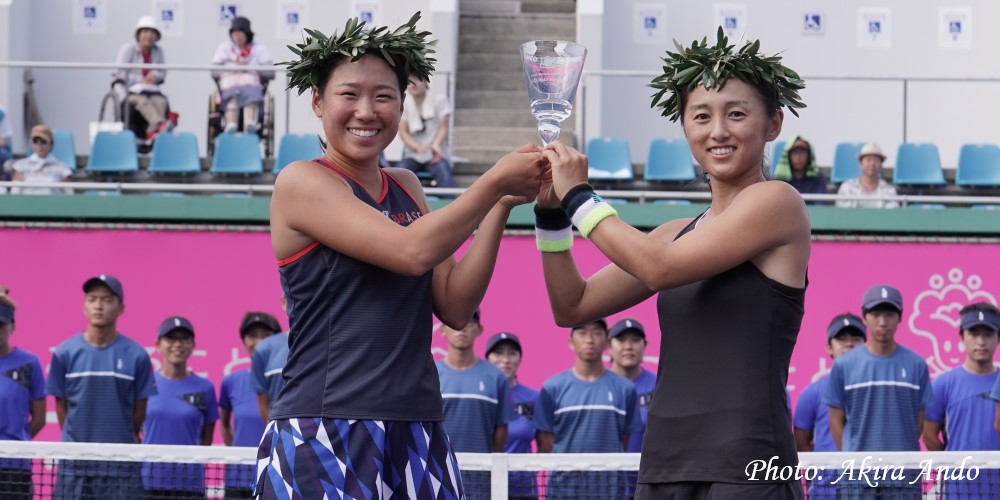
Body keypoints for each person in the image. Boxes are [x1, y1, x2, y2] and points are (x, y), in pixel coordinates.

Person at [255, 13, 545, 499]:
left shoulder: (407, 186)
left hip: (418, 427)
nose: (366, 110)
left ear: (402, 104)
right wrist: (491, 181)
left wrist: (500, 205)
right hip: (325, 425)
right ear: (317, 101)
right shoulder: (301, 181)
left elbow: (453, 305)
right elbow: (412, 251)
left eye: (384, 96)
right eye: (349, 94)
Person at [535, 28, 809, 499]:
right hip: (664, 464)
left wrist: (579, 196)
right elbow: (573, 306)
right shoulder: (672, 233)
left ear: (774, 125)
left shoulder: (778, 202)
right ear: (684, 128)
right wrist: (552, 214)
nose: (717, 131)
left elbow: (660, 269)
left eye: (737, 114)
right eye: (700, 116)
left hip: (747, 466)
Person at [46, 274, 156, 499]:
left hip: (121, 466)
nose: (98, 305)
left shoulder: (137, 356)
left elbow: (139, 411)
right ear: (84, 306)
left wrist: (118, 440)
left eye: (107, 299)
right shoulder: (64, 353)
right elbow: (61, 408)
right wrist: (77, 442)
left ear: (121, 308)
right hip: (74, 466)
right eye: (92, 298)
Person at [823, 284, 932, 499]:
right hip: (857, 477)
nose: (883, 321)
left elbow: (917, 423)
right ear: (864, 317)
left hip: (904, 476)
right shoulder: (844, 365)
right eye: (876, 314)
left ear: (900, 318)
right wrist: (853, 458)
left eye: (889, 314)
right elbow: (836, 422)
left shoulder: (917, 364)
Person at [534, 319, 641, 500]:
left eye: (597, 332)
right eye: (582, 332)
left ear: (606, 342)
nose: (589, 339)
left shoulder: (626, 389)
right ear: (570, 342)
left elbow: (623, 440)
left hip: (611, 491)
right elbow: (546, 444)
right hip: (563, 492)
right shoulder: (552, 388)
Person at [437, 309, 514, 500]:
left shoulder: (496, 378)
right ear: (442, 330)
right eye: (454, 322)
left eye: (470, 321)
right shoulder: (430, 374)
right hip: (438, 475)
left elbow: (501, 428)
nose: (461, 327)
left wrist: (491, 466)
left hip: (482, 480)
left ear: (479, 330)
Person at [925, 302, 1000, 499]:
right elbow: (929, 435)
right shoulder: (943, 384)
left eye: (988, 334)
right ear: (962, 337)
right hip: (958, 490)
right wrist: (954, 464)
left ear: (998, 338)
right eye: (974, 334)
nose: (981, 342)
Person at [142, 316, 219, 500]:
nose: (178, 344)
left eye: (184, 339)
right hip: (149, 483)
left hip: (190, 485)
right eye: (171, 338)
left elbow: (206, 439)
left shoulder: (205, 388)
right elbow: (133, 429)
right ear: (158, 345)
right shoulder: (144, 384)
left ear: (193, 345)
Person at [792, 313, 866, 499]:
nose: (849, 344)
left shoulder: (879, 391)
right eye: (841, 339)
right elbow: (801, 443)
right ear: (829, 348)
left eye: (856, 339)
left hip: (870, 488)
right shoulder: (811, 393)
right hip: (826, 492)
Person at [220, 311, 281, 499]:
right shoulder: (230, 381)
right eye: (252, 336)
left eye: (266, 335)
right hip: (238, 477)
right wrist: (241, 454)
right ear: (244, 341)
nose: (259, 342)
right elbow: (224, 425)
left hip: (276, 473)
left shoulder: (286, 378)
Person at [485, 331, 540, 500]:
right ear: (487, 358)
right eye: (499, 352)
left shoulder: (533, 398)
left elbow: (546, 446)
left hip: (522, 490)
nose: (506, 359)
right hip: (483, 487)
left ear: (520, 359)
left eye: (512, 353)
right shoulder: (480, 396)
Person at [0, 294, 45, 500]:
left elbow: (39, 418)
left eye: (1, 324)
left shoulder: (29, 363)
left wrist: (15, 444)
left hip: (15, 467)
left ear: (12, 326)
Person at [607, 318, 656, 498]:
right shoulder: (598, 386)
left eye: (635, 340)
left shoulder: (660, 384)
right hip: (605, 484)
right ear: (608, 346)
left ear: (644, 345)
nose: (628, 346)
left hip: (649, 483)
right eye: (621, 340)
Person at [114, 15, 175, 142]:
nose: (149, 35)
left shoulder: (158, 51)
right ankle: (159, 125)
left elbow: (162, 73)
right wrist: (139, 80)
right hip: (130, 91)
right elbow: (119, 74)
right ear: (138, 34)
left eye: (152, 32)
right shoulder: (128, 49)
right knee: (142, 102)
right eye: (145, 32)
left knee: (162, 102)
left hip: (151, 90)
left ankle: (152, 136)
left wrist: (154, 77)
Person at [211, 16, 273, 134]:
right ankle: (231, 125)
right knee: (231, 97)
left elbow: (270, 72)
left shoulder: (258, 49)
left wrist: (249, 68)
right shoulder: (224, 48)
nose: (237, 36)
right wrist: (233, 68)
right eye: (234, 33)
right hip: (230, 84)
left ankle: (250, 124)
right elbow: (213, 71)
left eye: (240, 32)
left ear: (247, 34)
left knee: (252, 96)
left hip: (251, 83)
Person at [398, 78, 454, 187]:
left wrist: (435, 146)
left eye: (417, 80)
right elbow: (403, 132)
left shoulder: (439, 100)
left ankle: (450, 202)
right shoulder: (405, 103)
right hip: (413, 154)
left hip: (436, 154)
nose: (413, 85)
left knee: (444, 173)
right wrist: (417, 147)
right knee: (398, 173)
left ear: (425, 82)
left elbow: (443, 128)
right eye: (409, 82)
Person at [249, 297, 288, 422]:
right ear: (283, 302)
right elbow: (264, 405)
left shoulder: (329, 344)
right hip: (281, 436)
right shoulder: (264, 348)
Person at [9, 125, 73, 195]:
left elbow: (69, 194)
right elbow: (15, 193)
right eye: (35, 142)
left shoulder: (63, 168)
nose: (39, 146)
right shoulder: (20, 166)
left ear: (51, 144)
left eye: (43, 142)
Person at [835, 143, 899, 208]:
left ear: (881, 165)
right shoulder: (847, 188)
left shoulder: (889, 190)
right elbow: (842, 213)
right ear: (860, 164)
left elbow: (892, 214)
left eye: (876, 160)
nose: (872, 164)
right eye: (868, 160)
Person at [773, 135, 827, 200]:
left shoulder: (818, 179)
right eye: (795, 152)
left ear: (809, 156)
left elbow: (820, 206)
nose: (798, 157)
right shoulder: (779, 181)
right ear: (788, 156)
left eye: (802, 152)